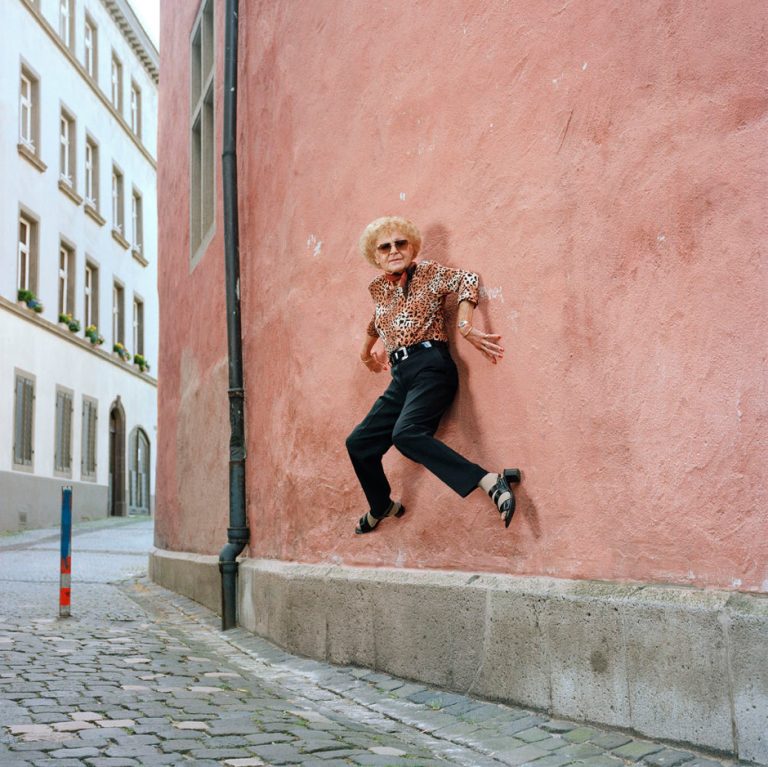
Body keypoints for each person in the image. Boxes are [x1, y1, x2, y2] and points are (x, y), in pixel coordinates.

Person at [346, 215, 520, 535]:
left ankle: (489, 481)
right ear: (376, 256)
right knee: (358, 443)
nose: (394, 250)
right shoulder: (378, 288)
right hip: (400, 377)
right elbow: (377, 319)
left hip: (431, 366)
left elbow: (466, 280)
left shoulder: (427, 272)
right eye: (385, 247)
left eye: (401, 243)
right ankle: (380, 505)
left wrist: (465, 326)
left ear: (412, 246)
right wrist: (365, 351)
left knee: (406, 434)